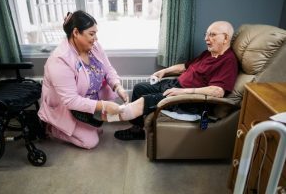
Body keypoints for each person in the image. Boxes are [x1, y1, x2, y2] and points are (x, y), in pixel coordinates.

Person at [108, 21, 239, 140]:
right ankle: (137, 130)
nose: (206, 39)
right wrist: (165, 71)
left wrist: (183, 92)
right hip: (175, 84)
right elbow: (184, 67)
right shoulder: (208, 53)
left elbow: (218, 91)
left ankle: (108, 117)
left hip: (189, 99)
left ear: (226, 38)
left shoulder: (228, 61)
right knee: (139, 88)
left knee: (144, 101)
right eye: (206, 34)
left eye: (212, 35)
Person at [38, 10, 128, 149]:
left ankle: (85, 123)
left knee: (97, 128)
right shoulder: (59, 60)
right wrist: (103, 106)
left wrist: (117, 86)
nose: (96, 38)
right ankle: (52, 128)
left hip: (87, 97)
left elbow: (108, 69)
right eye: (91, 34)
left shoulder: (94, 47)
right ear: (75, 33)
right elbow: (70, 100)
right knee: (90, 142)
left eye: (95, 33)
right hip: (66, 106)